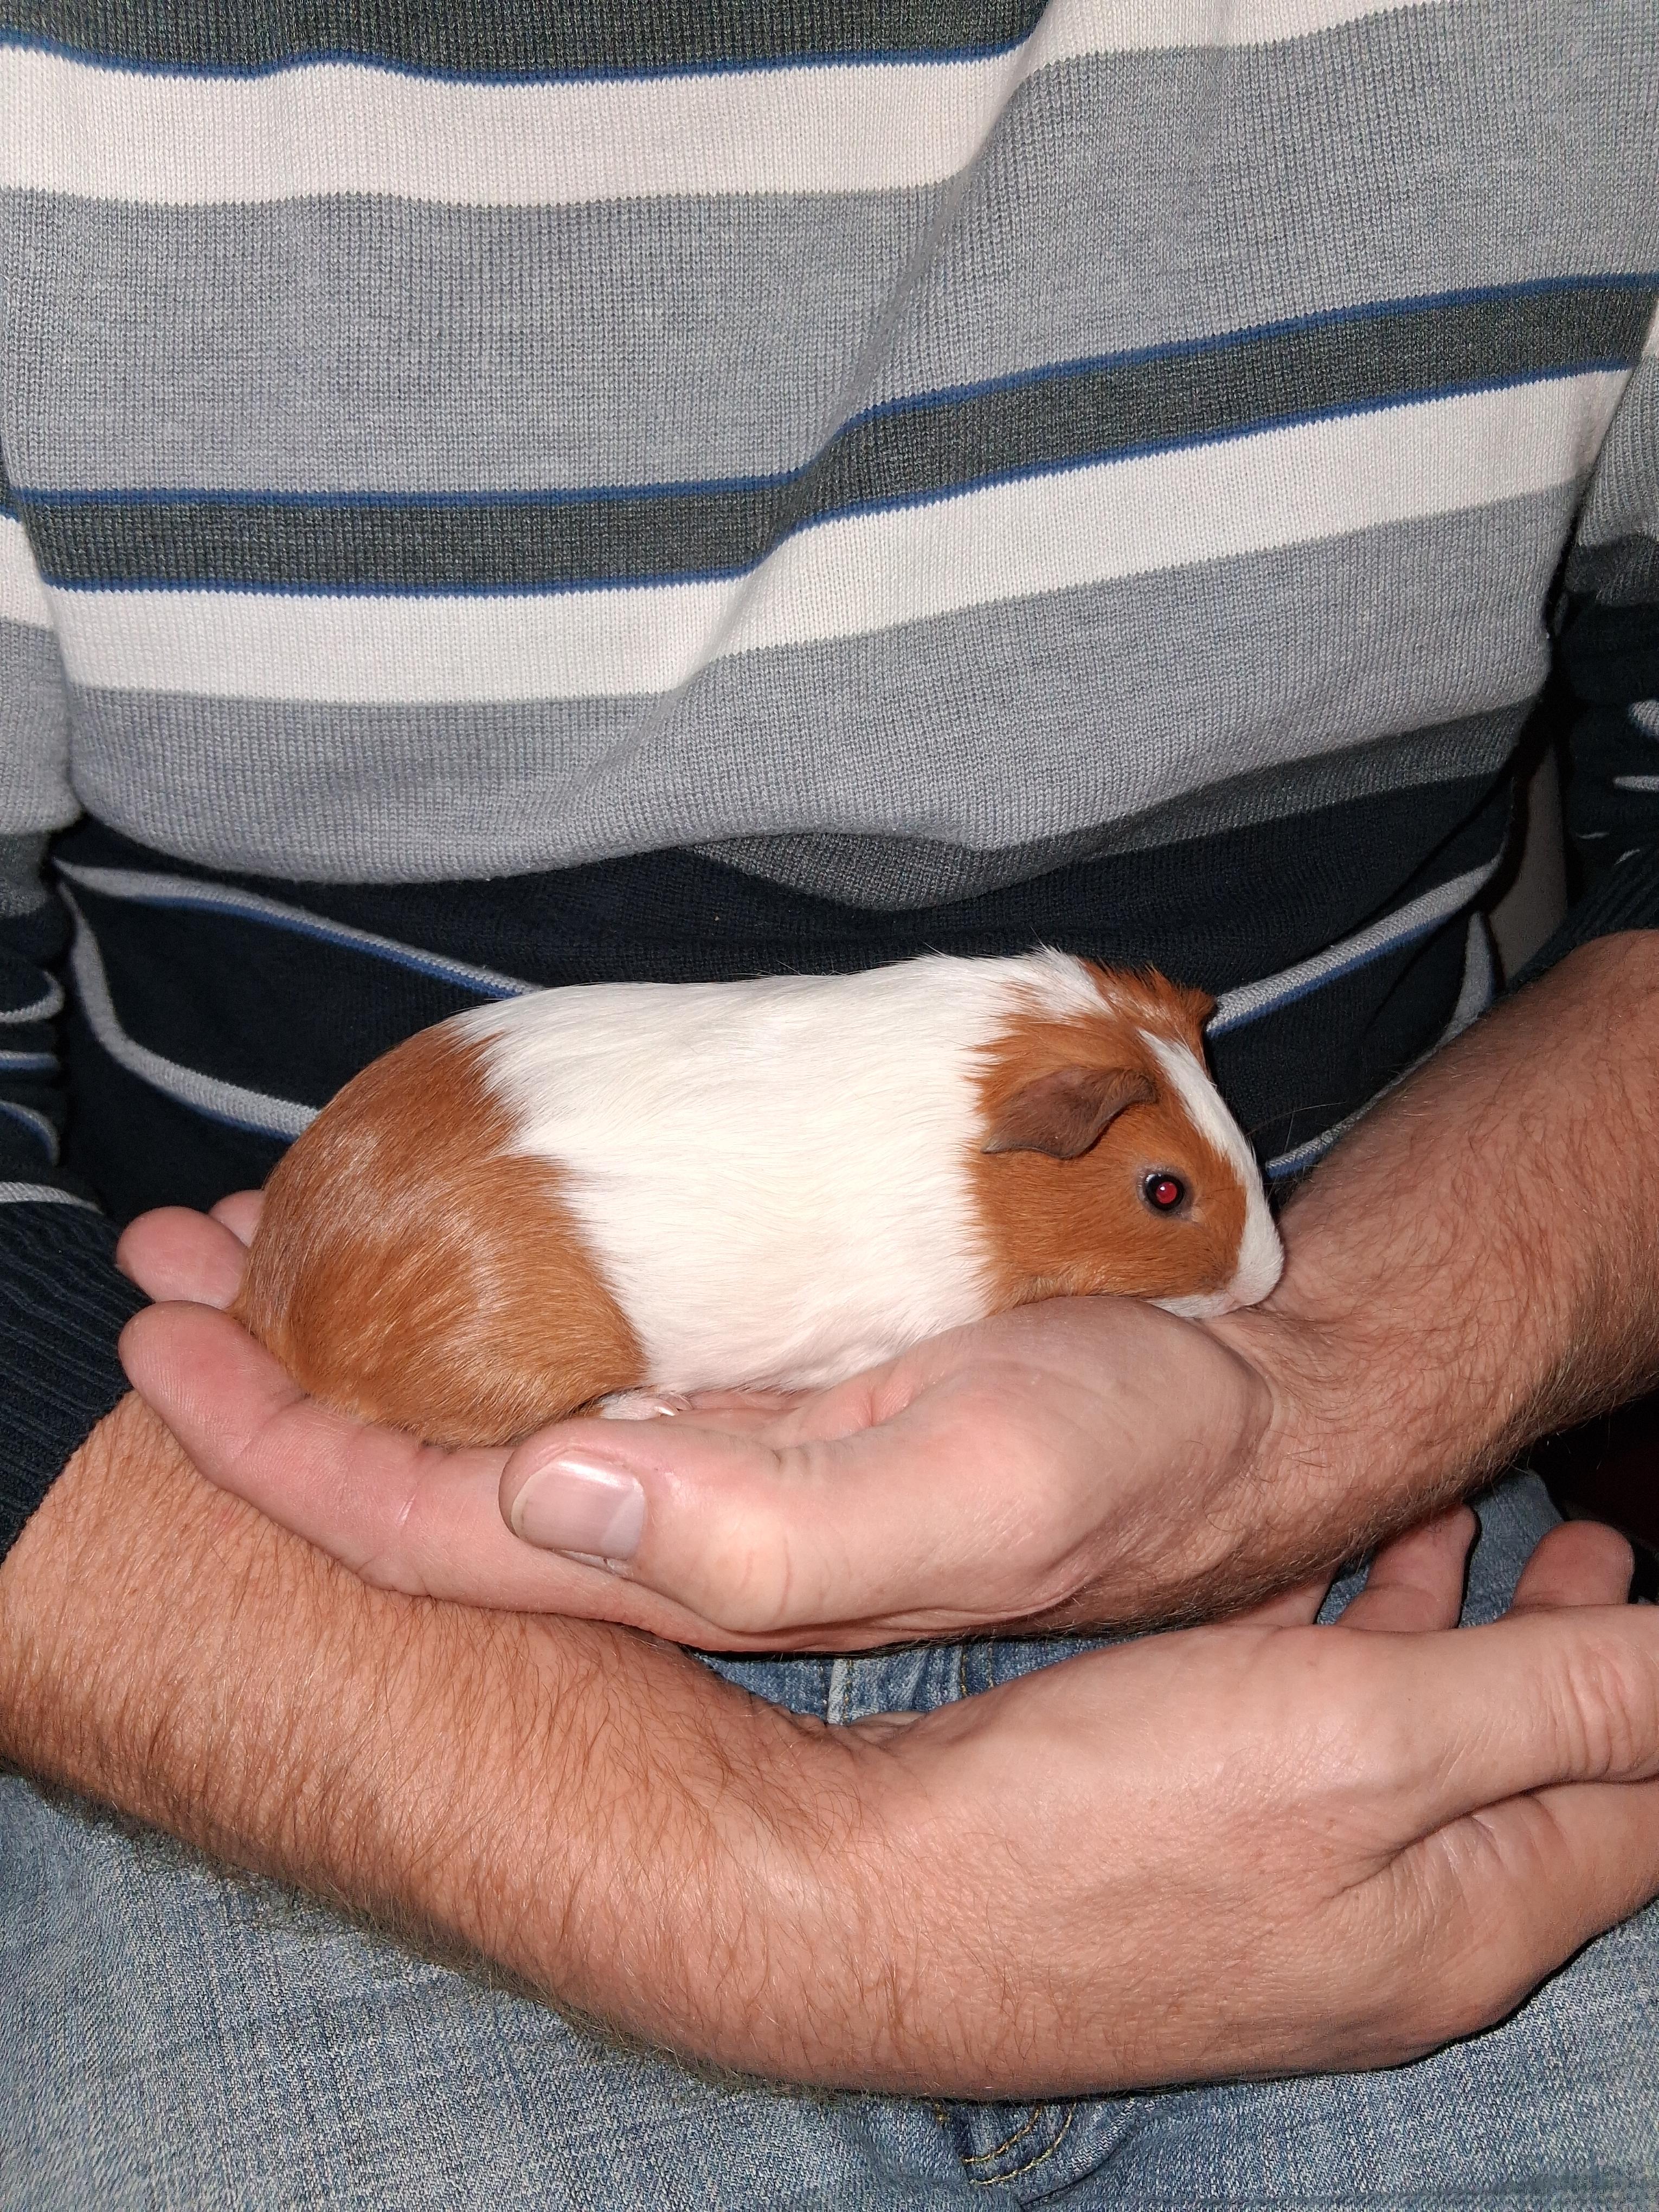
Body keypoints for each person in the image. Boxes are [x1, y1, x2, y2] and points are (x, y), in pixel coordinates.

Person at [2, 1, 1658, 2203]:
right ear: (1029, 1150)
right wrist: (786, 1888)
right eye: (1173, 1198)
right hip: (259, 1587)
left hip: (1374, 1479)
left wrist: (1332, 1386)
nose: (1205, 1223)